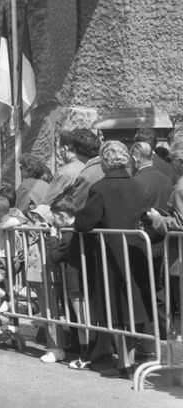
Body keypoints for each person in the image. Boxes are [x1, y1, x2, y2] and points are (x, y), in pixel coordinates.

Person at [75, 140, 154, 378]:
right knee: (133, 306)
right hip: (136, 252)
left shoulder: (100, 188)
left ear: (105, 162)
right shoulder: (138, 186)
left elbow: (84, 222)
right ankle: (130, 360)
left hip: (110, 254)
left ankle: (125, 363)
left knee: (116, 309)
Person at [45, 197, 90, 368]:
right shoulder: (79, 229)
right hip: (81, 279)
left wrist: (53, 238)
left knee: (82, 320)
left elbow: (56, 256)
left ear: (63, 216)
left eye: (55, 217)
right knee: (83, 319)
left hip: (75, 281)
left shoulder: (69, 234)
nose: (54, 221)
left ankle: (85, 357)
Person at [44, 129, 85, 207]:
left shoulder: (65, 172)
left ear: (65, 149)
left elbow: (48, 202)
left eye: (60, 148)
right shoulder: (87, 165)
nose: (59, 153)